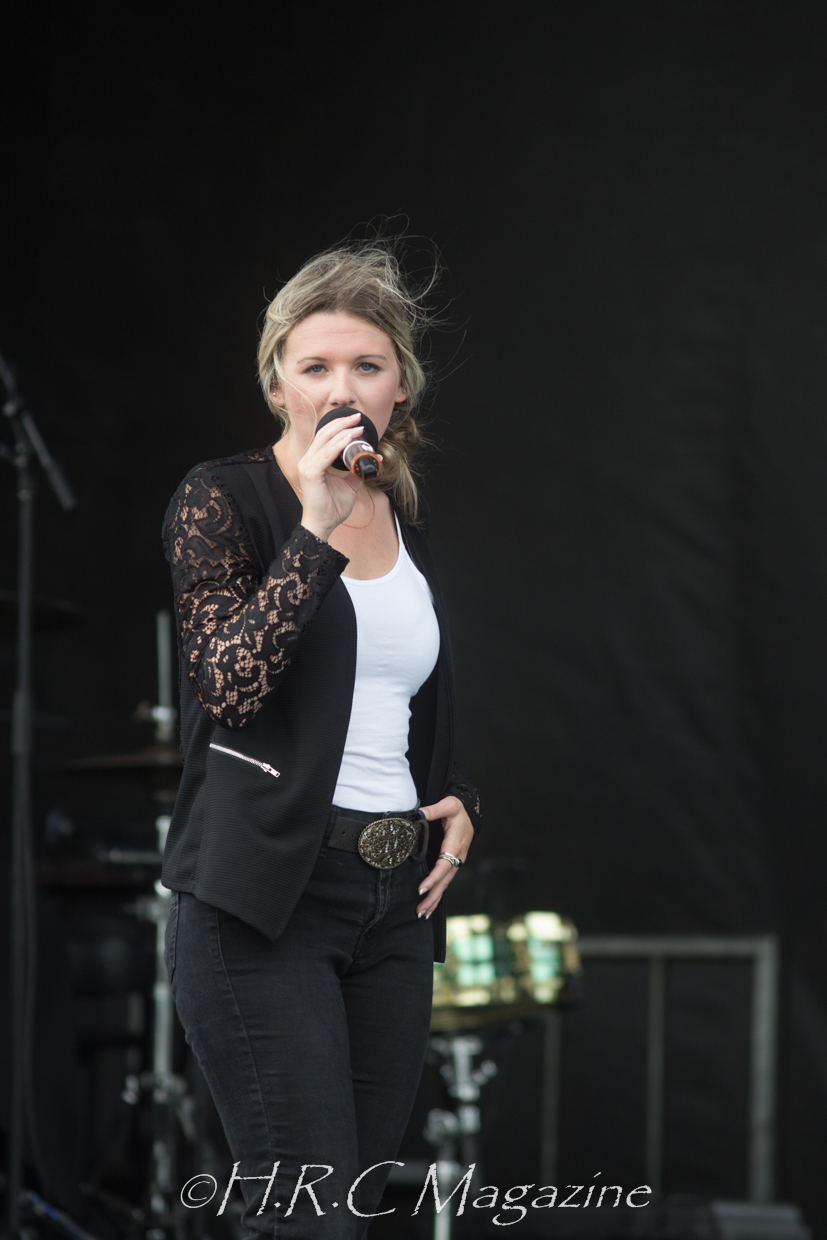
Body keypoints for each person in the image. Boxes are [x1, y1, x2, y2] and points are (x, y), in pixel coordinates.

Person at [161, 242, 482, 1238]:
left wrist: (458, 796)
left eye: (366, 365)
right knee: (306, 1219)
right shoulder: (225, 498)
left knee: (352, 1212)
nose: (341, 388)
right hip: (266, 899)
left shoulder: (404, 520)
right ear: (277, 388)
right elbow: (229, 684)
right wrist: (313, 527)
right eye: (314, 366)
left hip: (390, 905)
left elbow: (401, 695)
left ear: (398, 390)